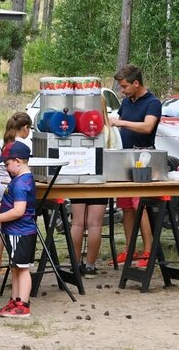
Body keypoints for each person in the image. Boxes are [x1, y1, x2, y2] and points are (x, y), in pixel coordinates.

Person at [111, 64, 162, 268]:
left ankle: (148, 251)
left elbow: (148, 126)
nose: (122, 90)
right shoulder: (126, 102)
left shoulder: (153, 103)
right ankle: (130, 249)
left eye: (124, 86)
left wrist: (121, 123)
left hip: (143, 158)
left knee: (139, 204)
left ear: (136, 83)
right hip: (124, 157)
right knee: (125, 205)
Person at [69, 95, 122, 278]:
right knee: (95, 224)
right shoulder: (109, 131)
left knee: (77, 223)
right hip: (100, 181)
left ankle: (75, 264)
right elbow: (117, 155)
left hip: (78, 179)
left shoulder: (77, 129)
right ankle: (90, 266)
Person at [0, 141, 36, 318]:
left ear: (17, 161)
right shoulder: (21, 179)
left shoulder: (21, 183)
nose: (5, 168)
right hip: (17, 231)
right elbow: (16, 204)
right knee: (15, 267)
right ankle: (15, 301)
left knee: (22, 268)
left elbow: (19, 211)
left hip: (20, 232)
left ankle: (23, 305)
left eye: (7, 164)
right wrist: (1, 206)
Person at [0, 112, 32, 275]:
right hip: (16, 187)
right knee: (16, 222)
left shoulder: (1, 142)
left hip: (2, 186)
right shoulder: (25, 144)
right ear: (25, 128)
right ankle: (19, 258)